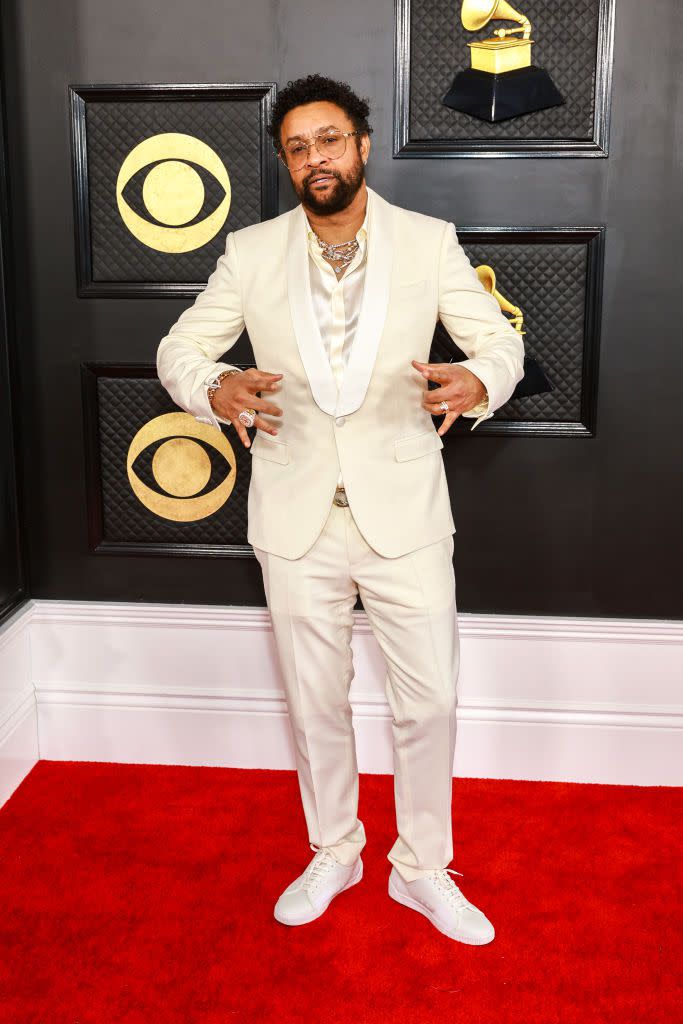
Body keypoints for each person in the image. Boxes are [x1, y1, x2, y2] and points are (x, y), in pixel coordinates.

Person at [156, 73, 524, 946]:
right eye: (297, 148)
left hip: (403, 509)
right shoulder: (250, 253)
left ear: (360, 145)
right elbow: (181, 348)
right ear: (286, 164)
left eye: (328, 140)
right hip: (294, 515)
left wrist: (478, 379)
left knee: (428, 701)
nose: (314, 158)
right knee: (315, 701)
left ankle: (423, 869)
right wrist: (216, 385)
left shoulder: (427, 241)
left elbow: (499, 341)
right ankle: (336, 850)